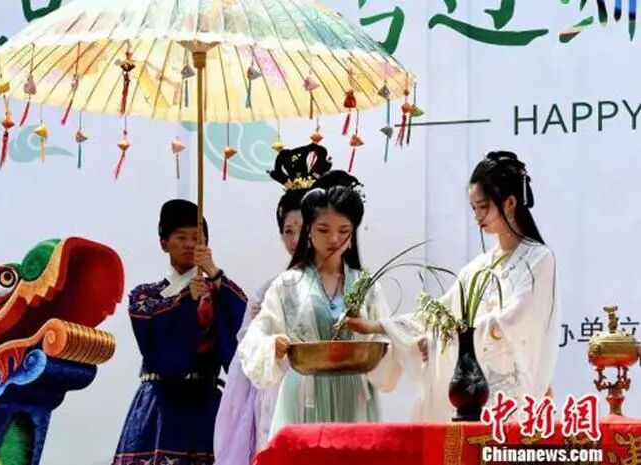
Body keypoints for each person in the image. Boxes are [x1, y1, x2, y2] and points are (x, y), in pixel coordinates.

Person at [347, 151, 560, 421]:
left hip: (513, 394)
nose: (477, 216)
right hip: (474, 394)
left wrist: (450, 339)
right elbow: (439, 313)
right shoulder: (477, 268)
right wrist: (377, 327)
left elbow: (514, 320)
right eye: (474, 208)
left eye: (483, 207)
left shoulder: (538, 258)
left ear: (509, 203)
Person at [238, 170, 395, 437]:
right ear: (308, 231)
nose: (333, 239)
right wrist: (272, 345)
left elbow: (387, 339)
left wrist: (401, 346)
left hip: (354, 395)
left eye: (343, 231)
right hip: (303, 395)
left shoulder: (366, 287)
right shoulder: (287, 284)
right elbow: (257, 334)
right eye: (323, 229)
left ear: (352, 234)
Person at [214, 143, 332, 464]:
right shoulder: (268, 289)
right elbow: (245, 349)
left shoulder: (339, 283)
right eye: (287, 231)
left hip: (326, 392)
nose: (294, 240)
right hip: (277, 394)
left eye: (302, 229)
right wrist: (263, 338)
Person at [113, 199, 247, 465]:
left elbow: (246, 323)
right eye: (181, 237)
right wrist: (187, 299)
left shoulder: (218, 291)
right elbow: (152, 339)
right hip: (160, 405)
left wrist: (214, 273)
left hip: (206, 403)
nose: (189, 244)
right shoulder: (146, 295)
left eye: (197, 238)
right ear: (164, 243)